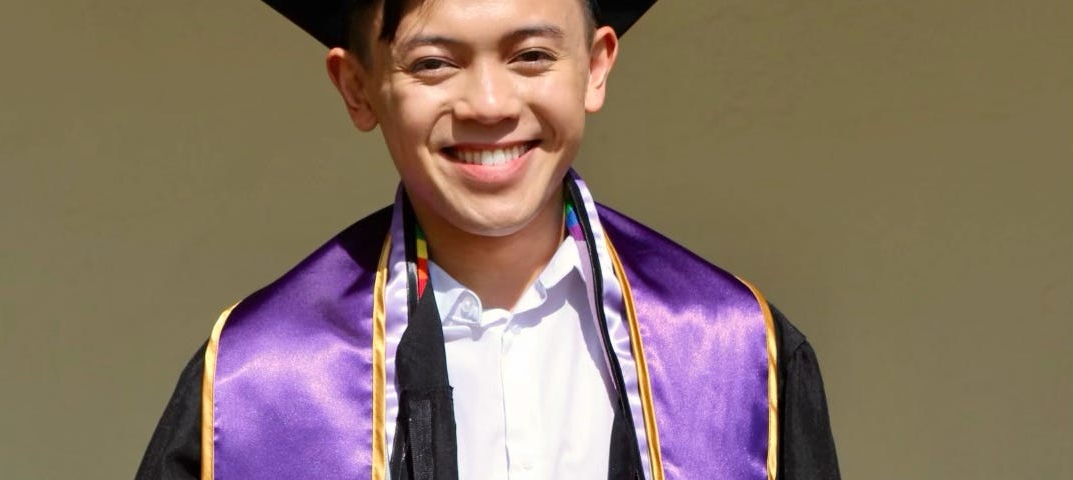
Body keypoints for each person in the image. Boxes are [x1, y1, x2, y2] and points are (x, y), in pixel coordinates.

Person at [136, 0, 840, 478]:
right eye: (434, 64)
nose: (491, 106)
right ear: (358, 88)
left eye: (530, 55)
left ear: (595, 67)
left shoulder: (738, 355)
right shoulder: (259, 382)